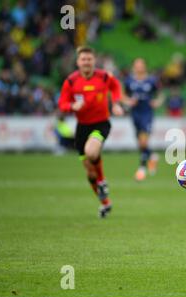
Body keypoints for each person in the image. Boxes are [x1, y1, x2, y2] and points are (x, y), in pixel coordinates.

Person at [58, 46, 124, 218]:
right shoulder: (71, 81)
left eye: (89, 59)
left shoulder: (104, 76)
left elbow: (116, 87)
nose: (86, 62)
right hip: (82, 127)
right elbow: (62, 104)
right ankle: (105, 203)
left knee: (91, 151)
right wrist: (72, 106)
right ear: (78, 62)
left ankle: (103, 181)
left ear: (94, 61)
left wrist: (116, 103)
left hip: (101, 124)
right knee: (90, 173)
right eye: (83, 59)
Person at [122, 58, 165, 181]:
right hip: (135, 113)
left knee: (143, 142)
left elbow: (161, 93)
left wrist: (158, 101)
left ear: (145, 66)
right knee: (140, 143)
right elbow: (122, 95)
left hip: (147, 113)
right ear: (133, 67)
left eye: (141, 65)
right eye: (137, 65)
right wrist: (128, 101)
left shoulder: (152, 80)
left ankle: (142, 169)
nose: (139, 67)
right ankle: (152, 156)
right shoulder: (129, 80)